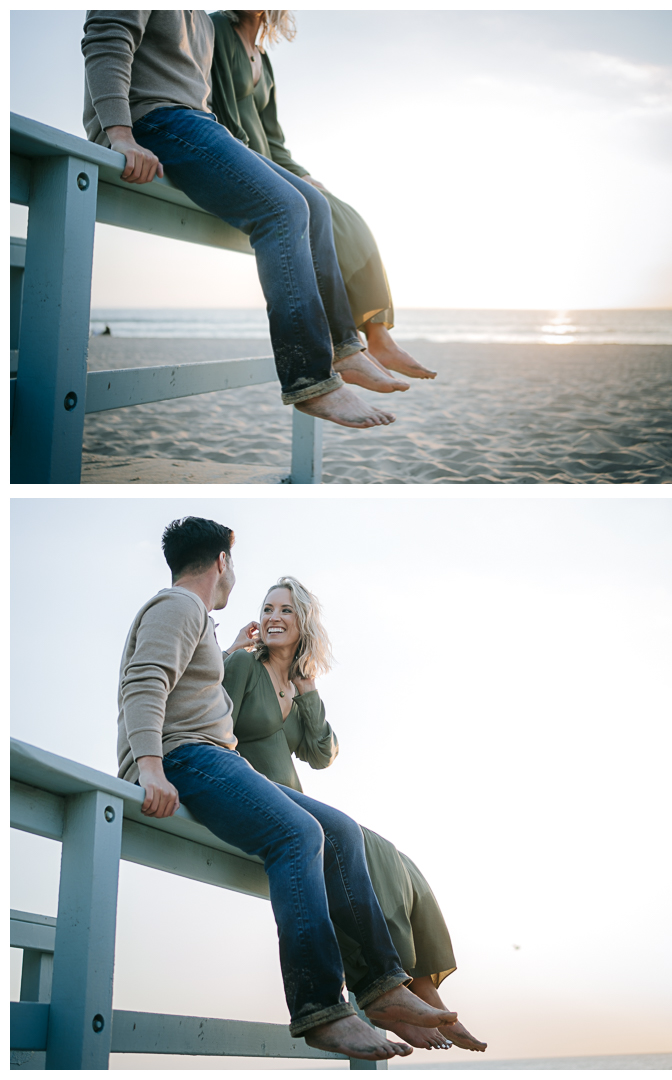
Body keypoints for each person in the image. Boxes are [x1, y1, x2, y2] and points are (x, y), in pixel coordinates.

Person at [117, 516, 460, 1060]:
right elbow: (144, 680)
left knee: (341, 830)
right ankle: (320, 1008)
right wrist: (150, 767)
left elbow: (309, 746)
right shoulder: (179, 605)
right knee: (299, 834)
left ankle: (385, 987)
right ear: (223, 561)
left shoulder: (197, 619)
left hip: (214, 759)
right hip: (187, 759)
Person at [81, 11, 403, 430]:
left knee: (314, 205)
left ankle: (343, 347)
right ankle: (310, 380)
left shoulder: (198, 17)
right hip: (154, 119)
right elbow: (107, 37)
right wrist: (120, 133)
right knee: (282, 210)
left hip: (196, 121)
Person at [223, 576, 487, 1053]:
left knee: (396, 860)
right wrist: (229, 652)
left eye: (285, 610)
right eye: (267, 608)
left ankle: (419, 984)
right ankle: (387, 992)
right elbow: (213, 719)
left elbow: (322, 753)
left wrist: (308, 690)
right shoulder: (244, 665)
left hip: (297, 800)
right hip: (257, 798)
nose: (273, 617)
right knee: (349, 843)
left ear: (303, 623)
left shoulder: (293, 685)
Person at [210, 10, 437, 383]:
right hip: (241, 162)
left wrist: (303, 175)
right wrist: (274, 174)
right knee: (312, 210)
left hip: (273, 163)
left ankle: (379, 336)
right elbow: (224, 118)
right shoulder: (217, 27)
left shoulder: (263, 59)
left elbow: (275, 138)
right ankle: (343, 347)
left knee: (346, 215)